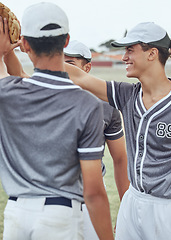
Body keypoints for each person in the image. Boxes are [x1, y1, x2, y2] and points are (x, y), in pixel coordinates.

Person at [66, 22, 171, 240]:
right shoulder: (127, 94)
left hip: (170, 211)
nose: (124, 57)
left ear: (152, 53)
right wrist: (35, 47)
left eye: (130, 50)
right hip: (132, 203)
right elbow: (80, 77)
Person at [0, 2, 114, 240]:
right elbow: (95, 191)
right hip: (60, 215)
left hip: (16, 213)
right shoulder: (88, 104)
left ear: (25, 44)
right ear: (66, 41)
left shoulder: (8, 91)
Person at [64, 40, 129, 240]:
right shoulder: (46, 99)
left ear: (87, 67)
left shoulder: (106, 106)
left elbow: (120, 159)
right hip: (54, 196)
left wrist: (125, 210)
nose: (62, 69)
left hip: (91, 197)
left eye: (70, 64)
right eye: (59, 62)